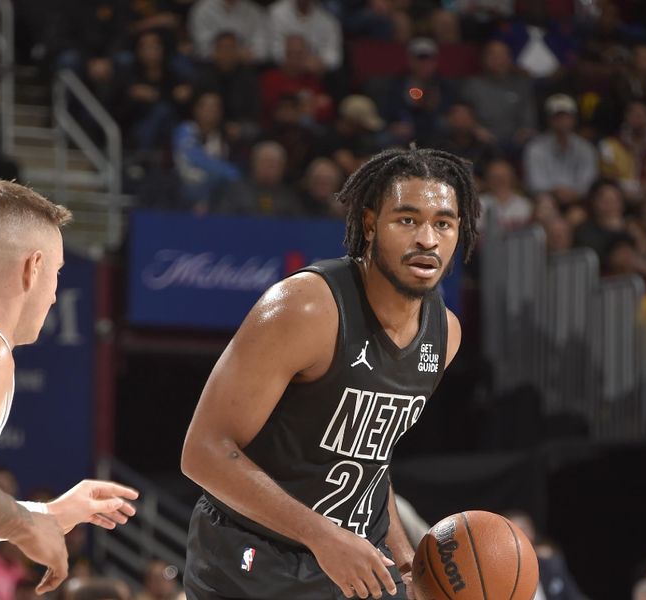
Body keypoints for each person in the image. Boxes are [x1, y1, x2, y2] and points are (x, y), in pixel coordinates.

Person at [181, 147, 479, 599]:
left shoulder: (446, 334)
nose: (427, 240)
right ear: (369, 224)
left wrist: (402, 557)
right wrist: (322, 536)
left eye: (443, 222)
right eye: (407, 220)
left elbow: (371, 458)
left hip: (353, 561)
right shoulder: (306, 307)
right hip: (253, 563)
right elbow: (202, 452)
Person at [0, 181, 139, 594]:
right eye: (58, 273)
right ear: (34, 267)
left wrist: (45, 514)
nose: (54, 294)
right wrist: (22, 523)